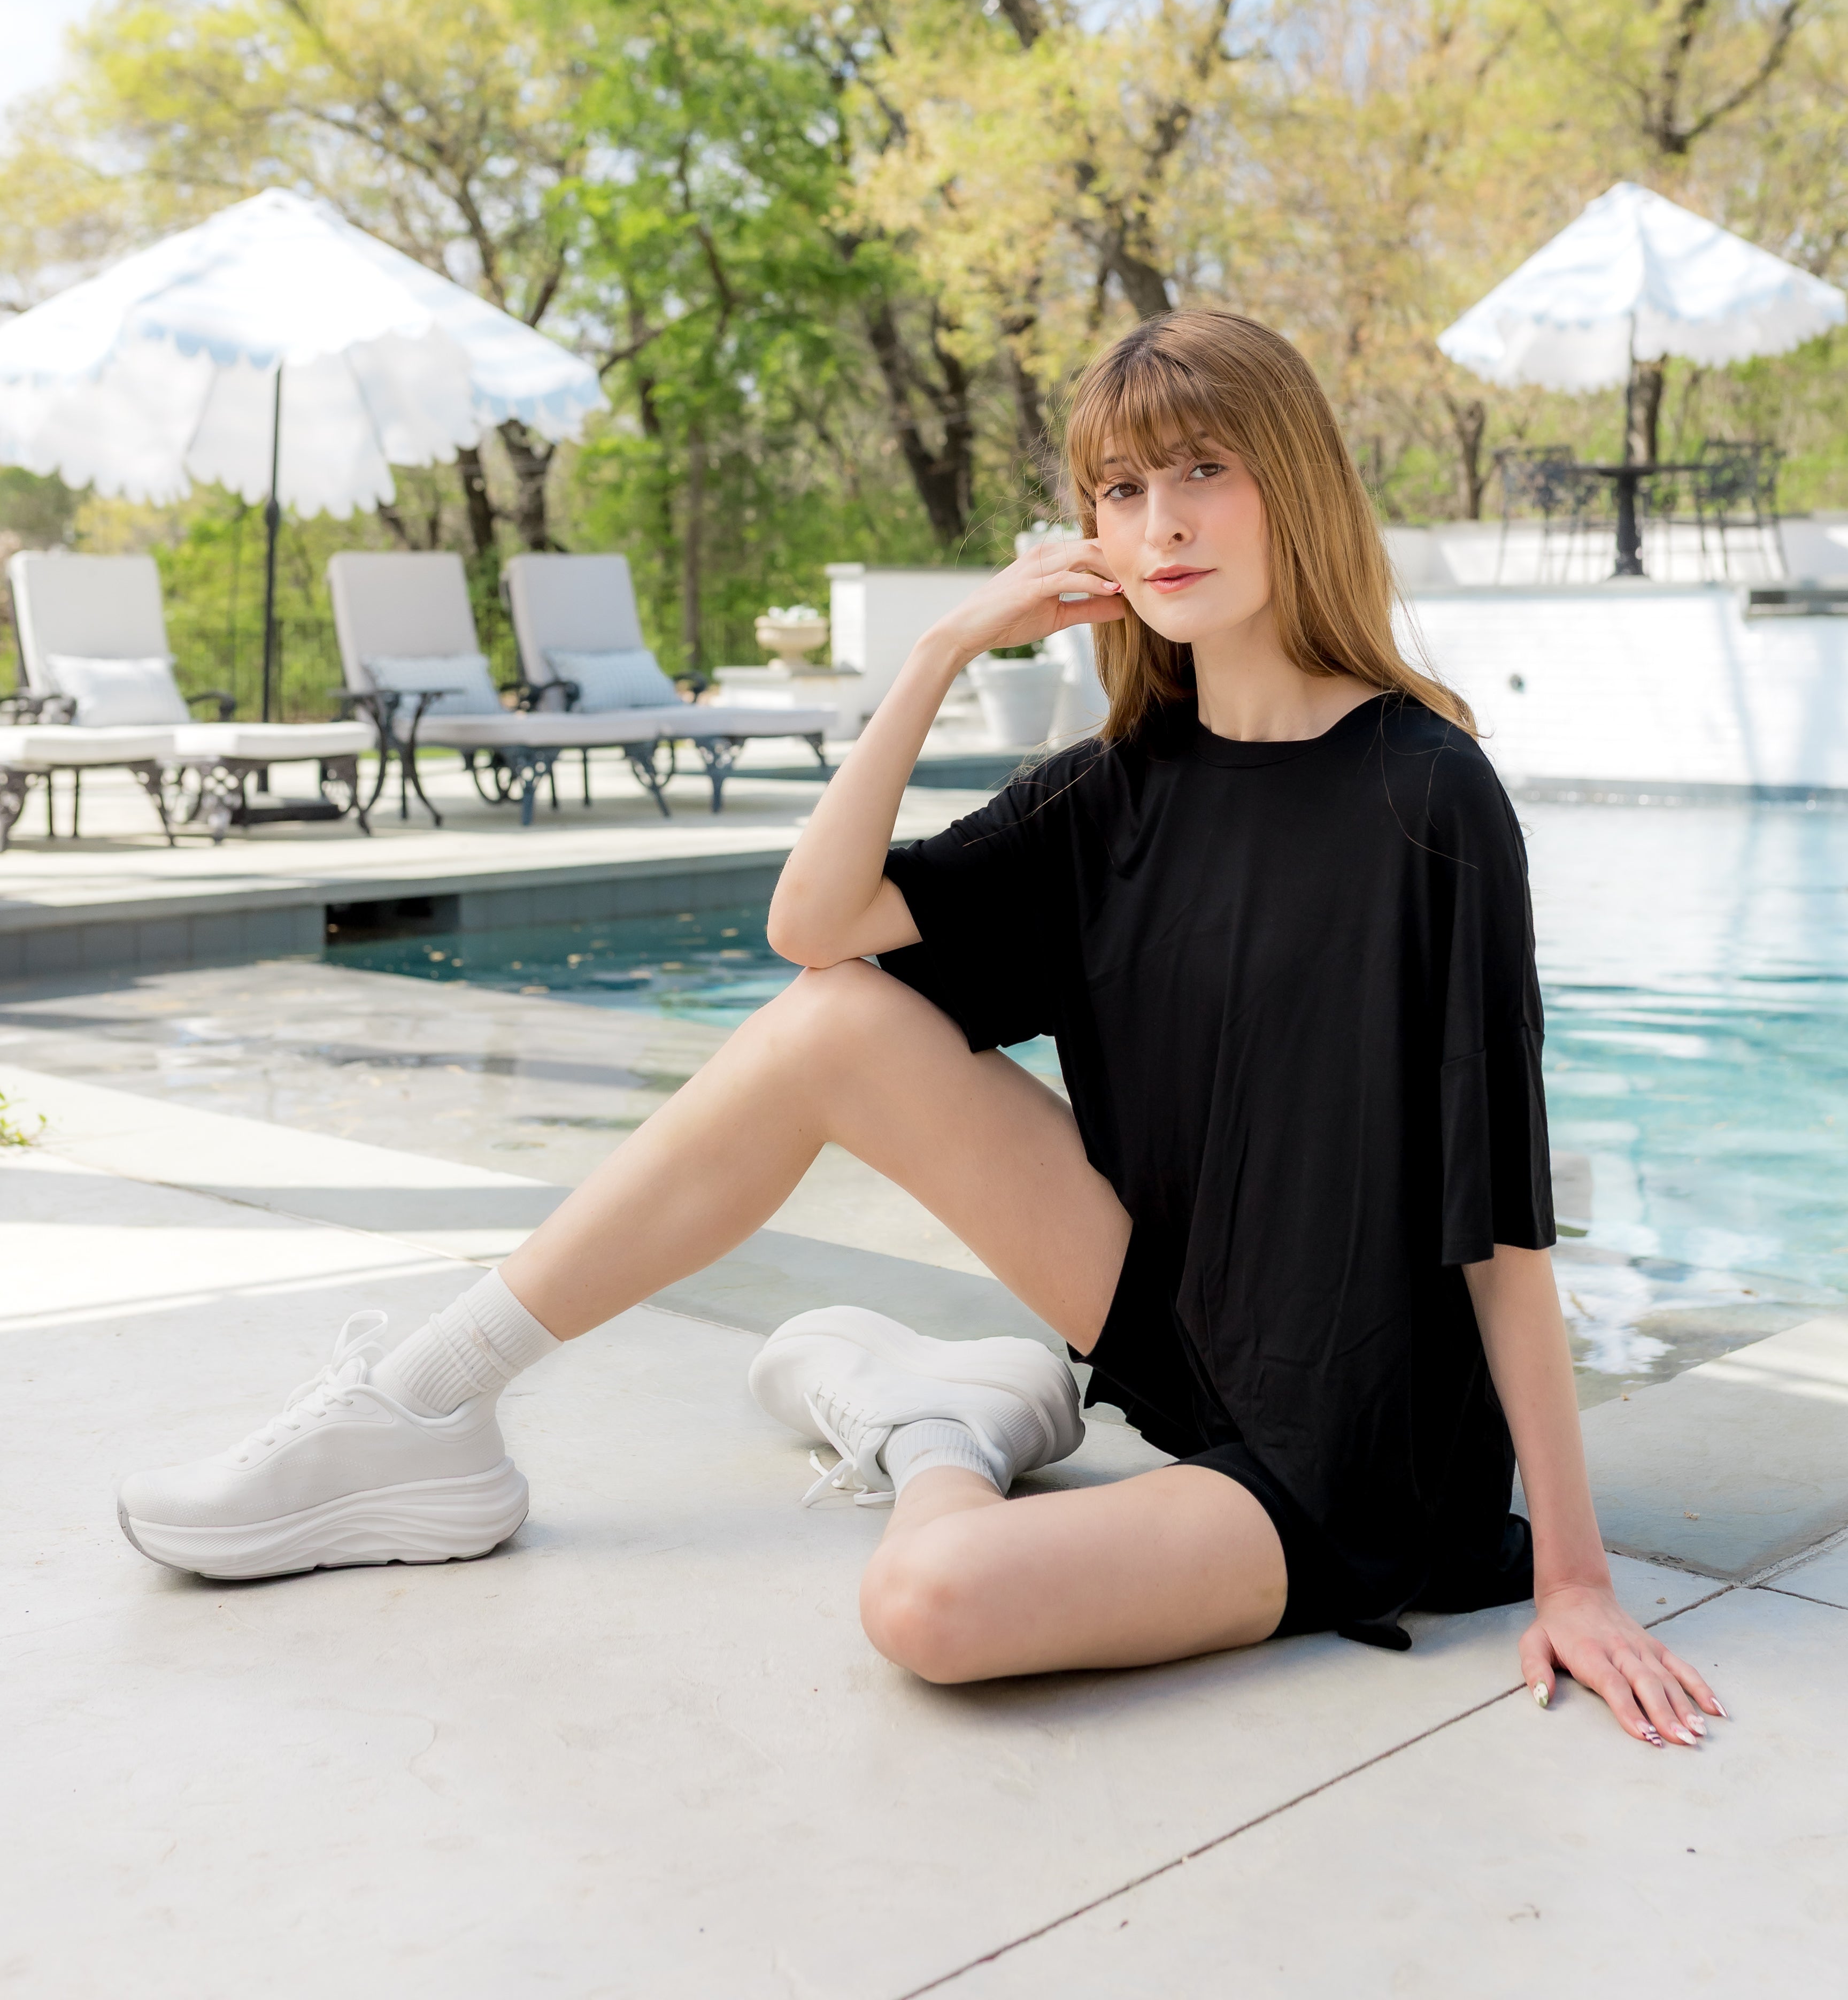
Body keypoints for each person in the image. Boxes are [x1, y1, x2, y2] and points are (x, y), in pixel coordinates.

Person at [117, 310, 1721, 1749]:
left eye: (1204, 473)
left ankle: (939, 1421)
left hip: (1353, 1452)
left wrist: (1569, 1573)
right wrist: (948, 647)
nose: (1159, 526)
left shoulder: (1427, 795)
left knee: (932, 1610)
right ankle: (425, 1406)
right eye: (1119, 490)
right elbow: (812, 933)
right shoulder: (1113, 795)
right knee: (833, 1022)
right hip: (1174, 1324)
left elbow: (1501, 1219)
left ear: (1293, 482)